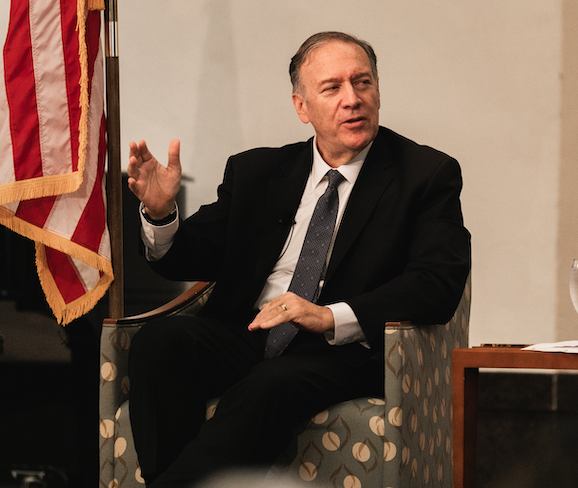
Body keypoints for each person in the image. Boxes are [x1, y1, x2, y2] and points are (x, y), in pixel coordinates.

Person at [124, 31, 472, 487]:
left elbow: (437, 282)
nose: (353, 99)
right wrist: (160, 213)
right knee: (160, 342)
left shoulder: (425, 174)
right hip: (252, 331)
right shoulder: (258, 171)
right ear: (301, 107)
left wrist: (329, 316)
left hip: (343, 350)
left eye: (363, 82)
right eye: (332, 87)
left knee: (269, 385)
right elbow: (190, 255)